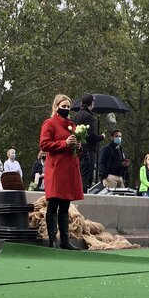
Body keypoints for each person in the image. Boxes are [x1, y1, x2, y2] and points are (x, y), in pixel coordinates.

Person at [39, 94, 83, 250]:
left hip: (70, 168)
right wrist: (63, 143)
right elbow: (44, 144)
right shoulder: (50, 123)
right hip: (56, 168)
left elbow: (78, 147)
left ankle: (65, 239)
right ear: (56, 107)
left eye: (68, 107)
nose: (66, 109)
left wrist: (78, 145)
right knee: (54, 204)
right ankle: (52, 240)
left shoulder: (72, 125)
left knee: (65, 205)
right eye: (63, 106)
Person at [73, 94, 105, 192]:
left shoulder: (77, 115)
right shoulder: (88, 116)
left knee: (79, 172)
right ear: (91, 104)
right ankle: (83, 194)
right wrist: (101, 137)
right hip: (87, 149)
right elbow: (89, 134)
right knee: (86, 174)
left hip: (77, 148)